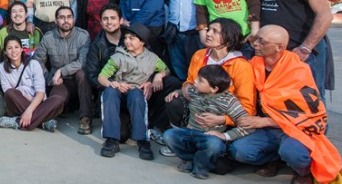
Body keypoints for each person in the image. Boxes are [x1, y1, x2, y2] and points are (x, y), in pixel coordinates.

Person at [230, 25, 342, 184]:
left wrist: (265, 121)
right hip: (266, 129)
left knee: (293, 153)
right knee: (239, 151)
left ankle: (304, 171)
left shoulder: (298, 71)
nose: (255, 44)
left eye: (262, 41)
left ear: (279, 47)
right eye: (256, 39)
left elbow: (308, 115)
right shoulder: (253, 64)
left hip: (295, 129)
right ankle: (278, 158)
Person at [163, 18, 256, 157]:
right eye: (208, 29)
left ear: (229, 39)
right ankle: (183, 140)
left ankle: (219, 143)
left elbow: (247, 107)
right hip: (197, 108)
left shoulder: (241, 66)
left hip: (223, 116)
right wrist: (186, 86)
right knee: (174, 100)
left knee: (220, 167)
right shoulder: (199, 55)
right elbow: (190, 80)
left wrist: (223, 119)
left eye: (215, 31)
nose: (208, 34)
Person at [256, 0, 332, 101]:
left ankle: (317, 128)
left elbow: (325, 14)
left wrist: (306, 48)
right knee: (278, 101)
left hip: (300, 53)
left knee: (310, 100)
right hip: (271, 54)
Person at [162, 65, 254, 179]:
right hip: (190, 132)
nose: (195, 81)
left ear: (214, 89)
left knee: (214, 145)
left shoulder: (229, 101)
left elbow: (249, 126)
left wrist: (224, 136)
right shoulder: (195, 91)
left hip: (209, 136)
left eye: (200, 80)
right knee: (169, 135)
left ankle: (200, 167)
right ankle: (190, 159)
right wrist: (176, 92)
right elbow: (184, 92)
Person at [97, 23, 170, 160]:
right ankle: (111, 140)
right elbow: (101, 77)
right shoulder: (118, 56)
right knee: (109, 93)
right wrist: (113, 83)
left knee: (137, 96)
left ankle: (143, 141)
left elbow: (165, 70)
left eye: (132, 38)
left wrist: (157, 77)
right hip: (119, 91)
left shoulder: (152, 58)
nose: (127, 41)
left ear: (142, 41)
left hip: (135, 93)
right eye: (126, 38)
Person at [32, 6, 93, 134]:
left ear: (74, 19)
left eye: (69, 17)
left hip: (79, 82)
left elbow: (83, 61)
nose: (66, 20)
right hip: (60, 81)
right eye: (62, 17)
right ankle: (40, 117)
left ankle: (85, 118)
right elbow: (37, 61)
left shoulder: (83, 35)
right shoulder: (49, 38)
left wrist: (62, 70)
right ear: (56, 21)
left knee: (82, 74)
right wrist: (50, 78)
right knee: (57, 100)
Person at [0, 36, 65, 132]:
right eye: (9, 48)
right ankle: (43, 122)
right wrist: (24, 95)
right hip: (20, 102)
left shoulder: (33, 64)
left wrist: (29, 111)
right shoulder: (2, 67)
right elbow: (8, 91)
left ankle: (17, 121)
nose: (13, 51)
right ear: (5, 52)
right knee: (10, 93)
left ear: (22, 49)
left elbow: (41, 92)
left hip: (38, 101)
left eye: (16, 47)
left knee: (58, 100)